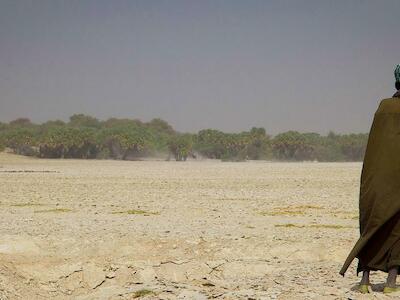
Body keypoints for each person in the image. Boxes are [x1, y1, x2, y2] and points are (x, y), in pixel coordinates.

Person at [340, 65, 400, 294]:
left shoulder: (383, 107)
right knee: (396, 230)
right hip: (396, 182)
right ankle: (391, 283)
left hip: (374, 182)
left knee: (372, 226)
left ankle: (365, 280)